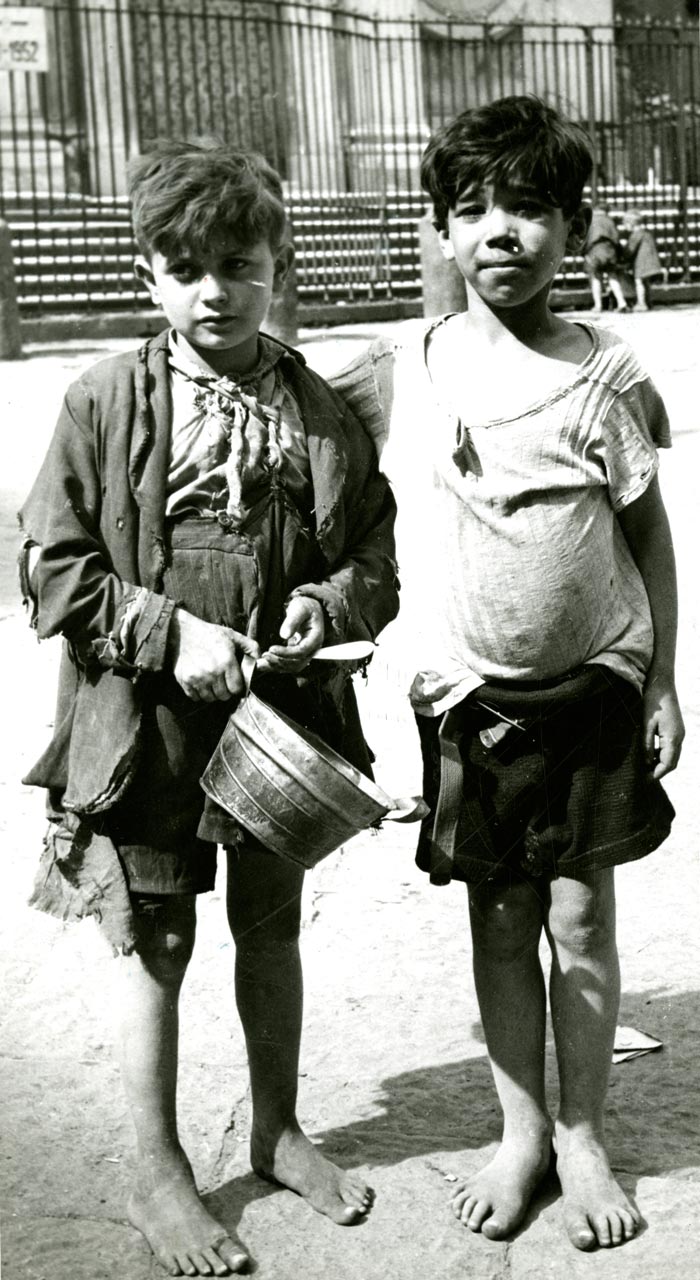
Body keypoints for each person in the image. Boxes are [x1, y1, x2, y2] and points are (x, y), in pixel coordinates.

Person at [19, 141, 399, 1277]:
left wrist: (323, 605)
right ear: (149, 276)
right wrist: (166, 633)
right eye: (184, 268)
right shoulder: (103, 400)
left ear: (277, 269)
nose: (213, 291)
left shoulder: (321, 407)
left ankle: (278, 1127)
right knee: (160, 936)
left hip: (279, 719)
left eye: (238, 264)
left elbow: (375, 554)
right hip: (148, 722)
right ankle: (156, 1166)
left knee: (270, 924)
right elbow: (54, 567)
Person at [333, 96, 684, 1252]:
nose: (501, 232)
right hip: (471, 701)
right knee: (499, 917)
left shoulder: (606, 376)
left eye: (530, 208)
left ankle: (583, 1127)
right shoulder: (415, 369)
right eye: (472, 208)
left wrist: (664, 680)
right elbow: (344, 484)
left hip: (591, 689)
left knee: (580, 917)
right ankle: (522, 1126)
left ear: (575, 228)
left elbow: (649, 537)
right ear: (437, 230)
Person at [583, 205, 628, 313]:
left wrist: (584, 252)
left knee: (595, 278)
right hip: (609, 251)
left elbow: (585, 237)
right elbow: (616, 238)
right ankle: (622, 302)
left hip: (594, 251)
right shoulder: (610, 221)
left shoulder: (590, 221)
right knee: (612, 277)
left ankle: (598, 305)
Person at [622, 210, 665, 311]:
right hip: (650, 261)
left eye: (625, 224)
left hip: (642, 263)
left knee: (639, 282)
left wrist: (624, 256)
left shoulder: (636, 235)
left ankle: (641, 303)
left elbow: (630, 250)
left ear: (631, 223)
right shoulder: (646, 233)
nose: (625, 227)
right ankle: (648, 301)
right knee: (646, 283)